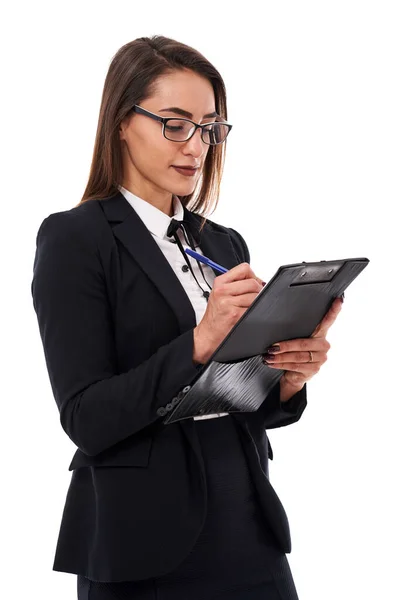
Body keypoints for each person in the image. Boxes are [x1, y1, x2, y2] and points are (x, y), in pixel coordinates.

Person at [31, 35, 343, 600]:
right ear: (122, 122)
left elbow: (231, 398)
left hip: (249, 528)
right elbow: (86, 417)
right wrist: (200, 341)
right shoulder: (75, 239)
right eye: (175, 123)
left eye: (209, 127)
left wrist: (287, 380)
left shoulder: (223, 242)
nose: (196, 145)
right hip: (139, 546)